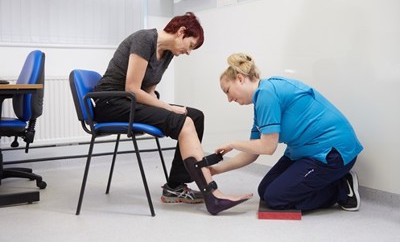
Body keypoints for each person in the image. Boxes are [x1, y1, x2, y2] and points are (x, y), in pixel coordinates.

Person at [93, 13, 252, 215]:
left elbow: (148, 90)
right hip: (111, 102)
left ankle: (175, 187)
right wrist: (168, 108)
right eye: (191, 45)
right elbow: (132, 89)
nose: (188, 52)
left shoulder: (167, 53)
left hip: (129, 102)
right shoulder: (145, 39)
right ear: (181, 32)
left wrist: (166, 107)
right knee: (184, 122)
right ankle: (213, 195)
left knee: (195, 116)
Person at [211, 52, 363, 212]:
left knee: (276, 198)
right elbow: (252, 152)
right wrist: (216, 170)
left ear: (240, 79)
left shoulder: (266, 94)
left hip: (332, 152)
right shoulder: (261, 100)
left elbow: (267, 148)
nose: (228, 99)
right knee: (265, 190)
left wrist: (233, 144)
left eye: (227, 91)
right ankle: (330, 182)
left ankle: (341, 189)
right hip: (305, 151)